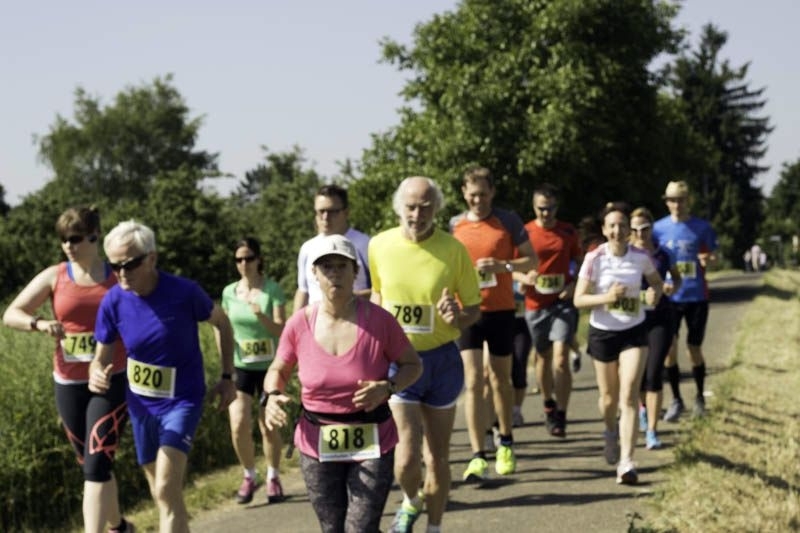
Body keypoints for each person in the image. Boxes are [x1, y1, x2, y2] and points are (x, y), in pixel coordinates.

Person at [263, 234, 422, 533]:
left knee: (360, 528)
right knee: (332, 527)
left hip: (372, 437)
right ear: (315, 274)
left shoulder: (381, 321)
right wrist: (272, 395)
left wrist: (387, 387)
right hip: (317, 440)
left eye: (341, 266)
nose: (334, 273)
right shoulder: (299, 323)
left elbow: (413, 365)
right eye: (327, 268)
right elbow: (278, 369)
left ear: (355, 272)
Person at [88, 220, 236, 533]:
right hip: (141, 407)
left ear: (152, 258)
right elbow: (99, 358)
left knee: (166, 489)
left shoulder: (184, 292)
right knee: (165, 496)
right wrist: (96, 374)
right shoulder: (113, 301)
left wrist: (227, 376)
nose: (122, 273)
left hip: (182, 400)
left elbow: (222, 324)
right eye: (115, 266)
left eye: (129, 264)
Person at [2, 206, 132, 533]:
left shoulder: (118, 276)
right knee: (91, 463)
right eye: (63, 240)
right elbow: (11, 314)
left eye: (74, 239)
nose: (68, 246)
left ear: (94, 237)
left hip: (111, 378)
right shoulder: (54, 275)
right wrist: (40, 323)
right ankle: (118, 526)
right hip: (68, 381)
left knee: (98, 459)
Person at [369, 177, 481, 533]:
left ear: (437, 208)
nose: (417, 214)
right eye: (411, 206)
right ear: (399, 207)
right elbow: (377, 295)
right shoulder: (379, 245)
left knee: (438, 458)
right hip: (400, 363)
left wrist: (457, 317)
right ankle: (411, 500)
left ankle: (434, 525)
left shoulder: (453, 249)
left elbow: (473, 310)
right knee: (405, 459)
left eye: (426, 206)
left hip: (442, 361)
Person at [449, 166, 537, 482]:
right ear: (464, 193)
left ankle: (506, 441)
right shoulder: (454, 225)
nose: (478, 200)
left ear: (492, 193)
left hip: (500, 310)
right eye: (472, 195)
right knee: (472, 381)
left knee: (500, 379)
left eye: (483, 194)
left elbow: (532, 260)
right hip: (468, 312)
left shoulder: (507, 221)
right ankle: (476, 455)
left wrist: (503, 266)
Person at [574, 202, 663, 484]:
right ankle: (609, 431)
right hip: (602, 332)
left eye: (622, 225)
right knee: (609, 398)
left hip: (634, 331)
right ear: (604, 230)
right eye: (611, 225)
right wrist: (606, 298)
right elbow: (579, 300)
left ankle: (627, 461)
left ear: (628, 230)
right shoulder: (594, 258)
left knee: (628, 394)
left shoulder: (640, 256)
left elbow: (657, 284)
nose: (617, 230)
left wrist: (653, 296)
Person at [222, 237, 286, 504]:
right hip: (241, 366)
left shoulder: (272, 289)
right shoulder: (228, 292)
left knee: (268, 426)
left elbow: (282, 330)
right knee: (238, 423)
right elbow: (223, 329)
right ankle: (249, 475)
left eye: (249, 258)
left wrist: (262, 317)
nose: (244, 264)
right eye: (239, 259)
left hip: (270, 367)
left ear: (259, 259)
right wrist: (225, 365)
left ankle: (273, 476)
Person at [515, 183, 582, 437]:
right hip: (535, 304)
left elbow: (579, 261)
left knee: (561, 357)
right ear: (535, 207)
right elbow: (513, 267)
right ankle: (548, 404)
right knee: (542, 357)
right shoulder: (525, 232)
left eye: (551, 208)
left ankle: (562, 414)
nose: (547, 213)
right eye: (542, 209)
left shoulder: (567, 231)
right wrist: (524, 278)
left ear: (557, 206)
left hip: (562, 302)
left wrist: (574, 284)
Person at [653, 181, 718, 421]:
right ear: (666, 202)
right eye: (671, 200)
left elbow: (713, 256)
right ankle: (676, 400)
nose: (676, 204)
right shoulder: (658, 229)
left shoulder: (702, 227)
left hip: (697, 296)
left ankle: (700, 397)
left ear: (688, 201)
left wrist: (708, 260)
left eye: (680, 199)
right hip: (670, 297)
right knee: (669, 349)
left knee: (694, 348)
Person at [629, 208, 682, 450]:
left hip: (661, 318)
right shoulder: (626, 254)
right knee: (638, 377)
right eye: (636, 230)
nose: (641, 234)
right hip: (634, 319)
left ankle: (652, 430)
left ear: (652, 228)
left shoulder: (664, 253)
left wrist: (671, 287)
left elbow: (677, 278)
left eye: (645, 229)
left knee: (653, 374)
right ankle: (642, 408)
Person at [294, 184, 371, 310]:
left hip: (358, 322)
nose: (325, 217)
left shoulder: (365, 244)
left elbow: (381, 291)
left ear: (346, 212)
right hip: (317, 326)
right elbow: (303, 291)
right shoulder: (307, 248)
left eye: (332, 212)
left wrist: (344, 298)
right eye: (321, 211)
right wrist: (293, 326)